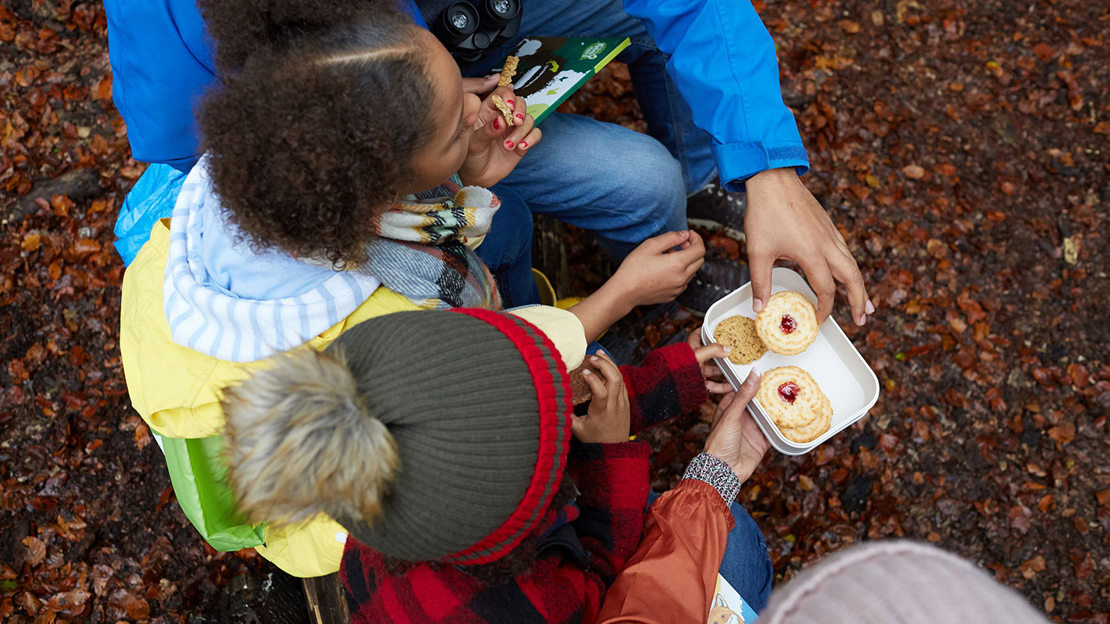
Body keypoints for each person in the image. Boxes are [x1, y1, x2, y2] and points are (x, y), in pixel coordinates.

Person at [119, 2, 706, 577]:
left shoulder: (259, 183)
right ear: (384, 186)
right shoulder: (387, 318)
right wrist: (623, 293)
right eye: (456, 127)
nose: (478, 113)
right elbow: (494, 379)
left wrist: (463, 170)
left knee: (513, 221)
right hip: (362, 518)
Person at [104, 0, 875, 323]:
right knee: (636, 183)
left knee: (641, 179)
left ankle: (699, 191)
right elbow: (504, 363)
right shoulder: (387, 290)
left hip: (419, 126)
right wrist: (448, 172)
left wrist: (766, 167)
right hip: (402, 164)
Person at [218, 308, 741, 622]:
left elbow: (546, 403)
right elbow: (604, 575)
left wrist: (670, 378)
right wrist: (609, 453)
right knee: (742, 555)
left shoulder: (388, 502)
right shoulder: (536, 602)